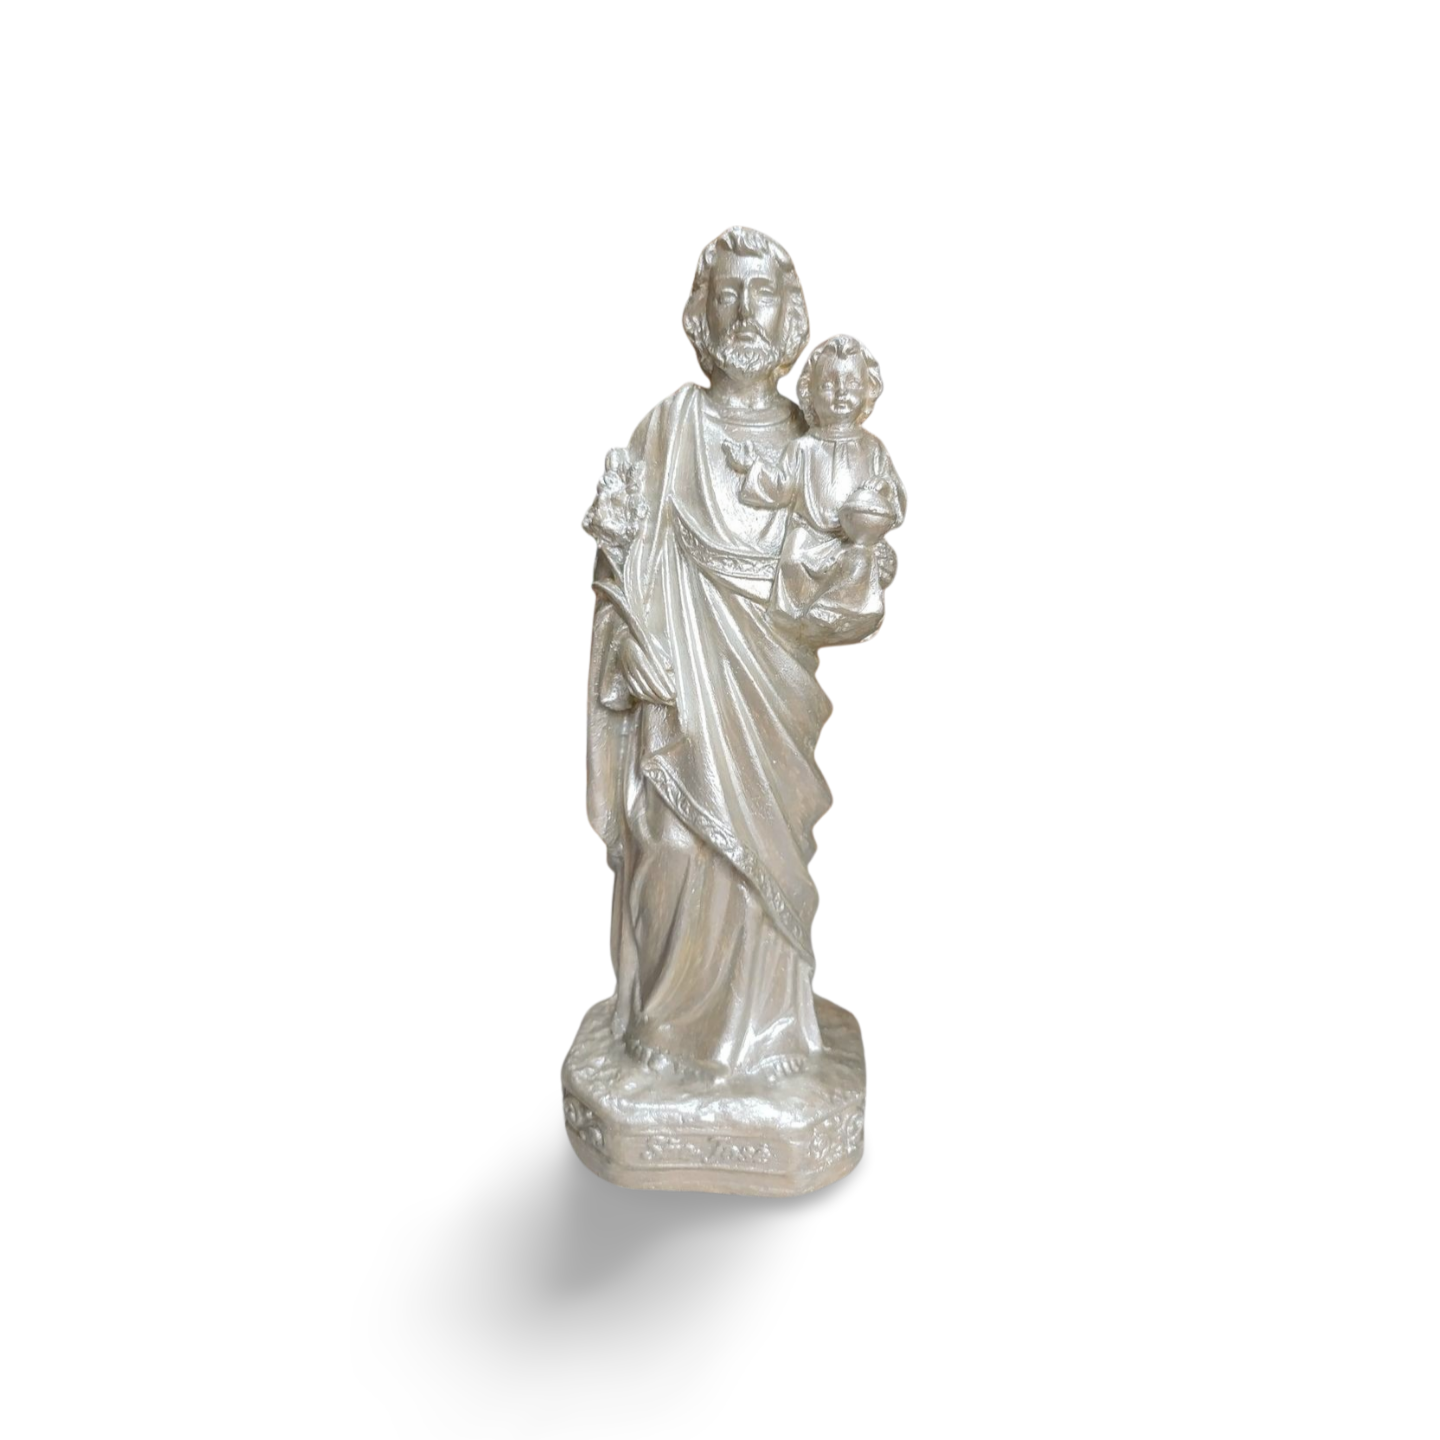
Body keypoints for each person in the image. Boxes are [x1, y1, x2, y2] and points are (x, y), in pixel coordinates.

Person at [583, 227, 895, 1080]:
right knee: (672, 845)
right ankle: (663, 1035)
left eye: (762, 294)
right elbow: (616, 565)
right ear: (701, 315)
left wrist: (859, 569)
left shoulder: (817, 441)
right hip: (679, 694)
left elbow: (849, 571)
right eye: (727, 294)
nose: (745, 312)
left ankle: (768, 1037)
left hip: (769, 695)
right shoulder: (667, 429)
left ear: (791, 317)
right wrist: (627, 647)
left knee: (764, 863)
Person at [726, 334, 905, 645]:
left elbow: (895, 494)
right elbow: (781, 485)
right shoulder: (803, 448)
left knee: (861, 561)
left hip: (851, 539)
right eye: (828, 384)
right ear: (810, 393)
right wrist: (750, 468)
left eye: (851, 383)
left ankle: (843, 611)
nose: (840, 392)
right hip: (809, 534)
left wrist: (884, 490)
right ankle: (797, 617)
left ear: (868, 390)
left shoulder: (872, 449)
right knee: (793, 558)